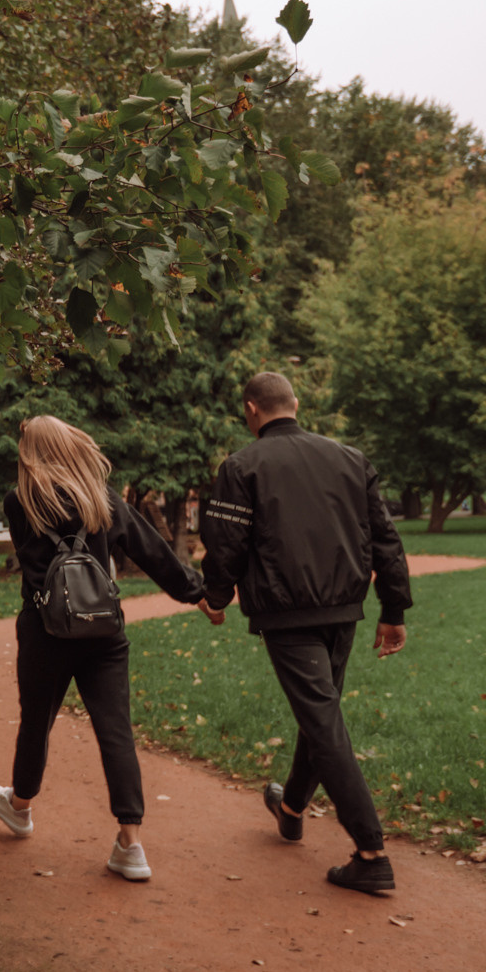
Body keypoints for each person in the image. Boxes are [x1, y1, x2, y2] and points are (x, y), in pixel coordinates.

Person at [200, 371, 412, 896]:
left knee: (322, 720)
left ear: (251, 410)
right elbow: (385, 536)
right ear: (295, 403)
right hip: (345, 609)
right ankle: (291, 808)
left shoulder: (242, 465)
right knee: (321, 714)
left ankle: (371, 852)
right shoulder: (350, 458)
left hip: (287, 613)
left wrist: (217, 596)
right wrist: (394, 609)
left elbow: (225, 541)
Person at [0, 415, 218, 882]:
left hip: (44, 630)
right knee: (116, 731)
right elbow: (152, 552)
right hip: (104, 632)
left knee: (36, 723)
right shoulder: (102, 499)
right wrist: (197, 594)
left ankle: (21, 807)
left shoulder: (19, 502)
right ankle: (130, 843)